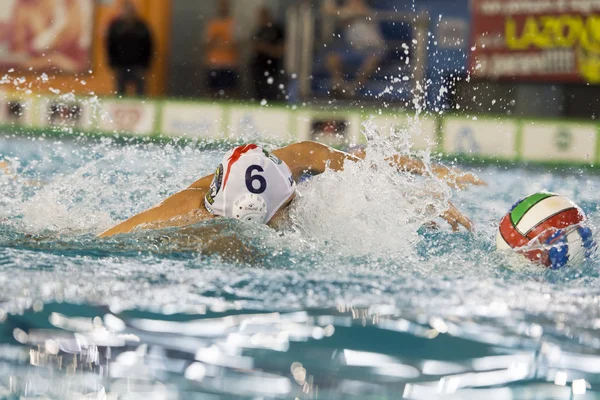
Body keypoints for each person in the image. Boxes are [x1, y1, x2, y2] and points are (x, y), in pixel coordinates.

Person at [99, 141, 484, 238]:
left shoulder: (293, 159)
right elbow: (110, 238)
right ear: (253, 215)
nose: (297, 199)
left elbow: (361, 164)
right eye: (287, 203)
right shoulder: (194, 223)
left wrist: (413, 197)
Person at [324, 0, 386, 97]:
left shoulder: (366, 11)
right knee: (332, 59)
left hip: (374, 49)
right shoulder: (346, 13)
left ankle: (354, 87)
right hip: (354, 49)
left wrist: (344, 12)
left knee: (372, 60)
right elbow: (329, 11)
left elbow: (358, 12)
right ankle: (339, 86)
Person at [106, 0, 154, 96]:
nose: (128, 12)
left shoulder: (142, 27)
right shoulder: (116, 27)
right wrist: (113, 63)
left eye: (131, 10)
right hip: (120, 65)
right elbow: (110, 45)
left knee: (140, 91)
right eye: (126, 10)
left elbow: (148, 46)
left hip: (138, 66)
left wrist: (145, 65)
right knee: (120, 91)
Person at [205, 0, 239, 98]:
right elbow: (206, 44)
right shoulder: (212, 24)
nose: (223, 8)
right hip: (213, 64)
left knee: (230, 93)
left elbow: (236, 45)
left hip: (229, 65)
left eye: (225, 5)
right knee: (212, 92)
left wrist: (218, 43)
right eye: (221, 5)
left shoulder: (233, 24)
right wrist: (223, 44)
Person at [251, 7, 285, 101]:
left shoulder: (277, 30)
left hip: (272, 70)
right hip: (258, 70)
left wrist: (265, 48)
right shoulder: (259, 31)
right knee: (258, 96)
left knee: (271, 96)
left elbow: (280, 51)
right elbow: (254, 47)